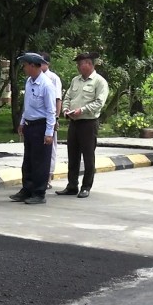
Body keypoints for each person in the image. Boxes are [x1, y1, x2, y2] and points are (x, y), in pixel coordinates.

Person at [55, 52, 109, 199]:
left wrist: (82, 110)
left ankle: (86, 187)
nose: (78, 67)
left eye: (80, 64)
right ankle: (72, 185)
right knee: (73, 155)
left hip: (88, 123)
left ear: (89, 64)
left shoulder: (100, 82)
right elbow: (68, 97)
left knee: (88, 156)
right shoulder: (75, 80)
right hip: (74, 122)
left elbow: (99, 103)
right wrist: (66, 109)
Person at [9, 52, 56, 205]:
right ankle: (27, 189)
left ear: (32, 66)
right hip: (30, 125)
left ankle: (39, 193)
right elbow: (27, 105)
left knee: (40, 162)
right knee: (28, 160)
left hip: (41, 126)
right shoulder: (29, 81)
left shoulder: (46, 85)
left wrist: (49, 133)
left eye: (25, 65)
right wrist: (22, 122)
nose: (23, 68)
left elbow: (51, 111)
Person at [39, 51, 62, 189]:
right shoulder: (33, 78)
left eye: (41, 62)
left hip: (50, 118)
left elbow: (58, 99)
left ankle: (48, 177)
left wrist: (56, 118)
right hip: (37, 119)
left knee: (50, 148)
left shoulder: (53, 78)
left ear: (47, 64)